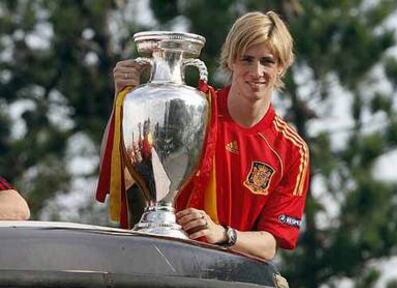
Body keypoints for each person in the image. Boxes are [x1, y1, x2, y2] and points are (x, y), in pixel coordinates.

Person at [100, 11, 309, 261]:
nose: (257, 71)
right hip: (164, 259)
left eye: (267, 61)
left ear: (282, 67)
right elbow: (119, 173)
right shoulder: (193, 109)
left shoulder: (292, 150)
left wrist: (222, 234)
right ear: (231, 61)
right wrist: (122, 99)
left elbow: (270, 244)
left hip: (228, 284)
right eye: (247, 59)